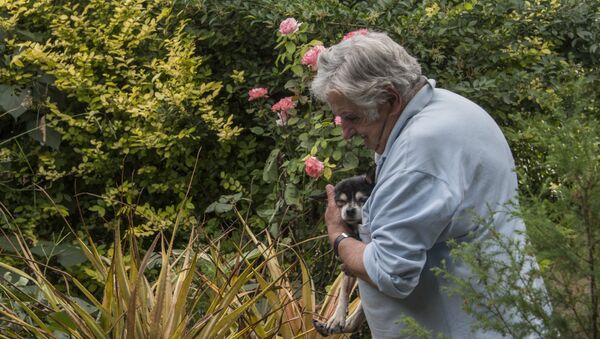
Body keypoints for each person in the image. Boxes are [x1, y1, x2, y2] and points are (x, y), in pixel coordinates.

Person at [311, 31, 544, 338]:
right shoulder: (448, 107)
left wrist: (339, 235)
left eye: (351, 117)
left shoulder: (419, 152)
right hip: (496, 314)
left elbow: (392, 273)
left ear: (391, 99)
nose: (346, 132)